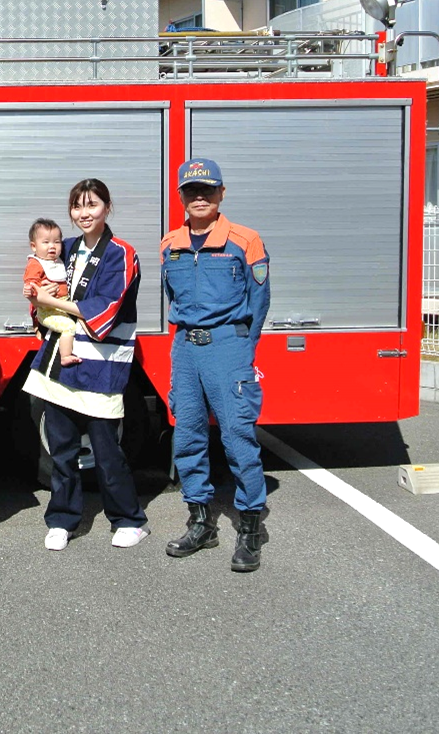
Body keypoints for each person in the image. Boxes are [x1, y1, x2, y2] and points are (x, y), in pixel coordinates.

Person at [22, 179, 148, 552]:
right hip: (60, 362)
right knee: (61, 448)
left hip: (102, 362)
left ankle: (128, 519)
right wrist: (37, 299)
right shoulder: (67, 249)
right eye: (77, 206)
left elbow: (106, 309)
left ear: (107, 207)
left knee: (107, 450)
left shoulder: (122, 253)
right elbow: (41, 292)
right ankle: (61, 518)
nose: (84, 213)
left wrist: (52, 303)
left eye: (91, 204)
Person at [160, 158, 271, 572]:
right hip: (186, 347)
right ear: (182, 198)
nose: (199, 196)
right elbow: (174, 296)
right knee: (187, 435)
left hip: (228, 346)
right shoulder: (170, 243)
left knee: (238, 437)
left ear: (222, 193)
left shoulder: (245, 239)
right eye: (191, 191)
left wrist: (242, 350)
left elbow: (259, 304)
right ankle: (201, 523)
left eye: (207, 189)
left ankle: (250, 528)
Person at [23, 218, 79, 367]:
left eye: (57, 242)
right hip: (48, 310)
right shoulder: (36, 263)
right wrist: (33, 289)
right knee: (69, 327)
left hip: (63, 305)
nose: (52, 246)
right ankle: (65, 356)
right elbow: (31, 283)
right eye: (46, 242)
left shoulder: (58, 261)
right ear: (33, 246)